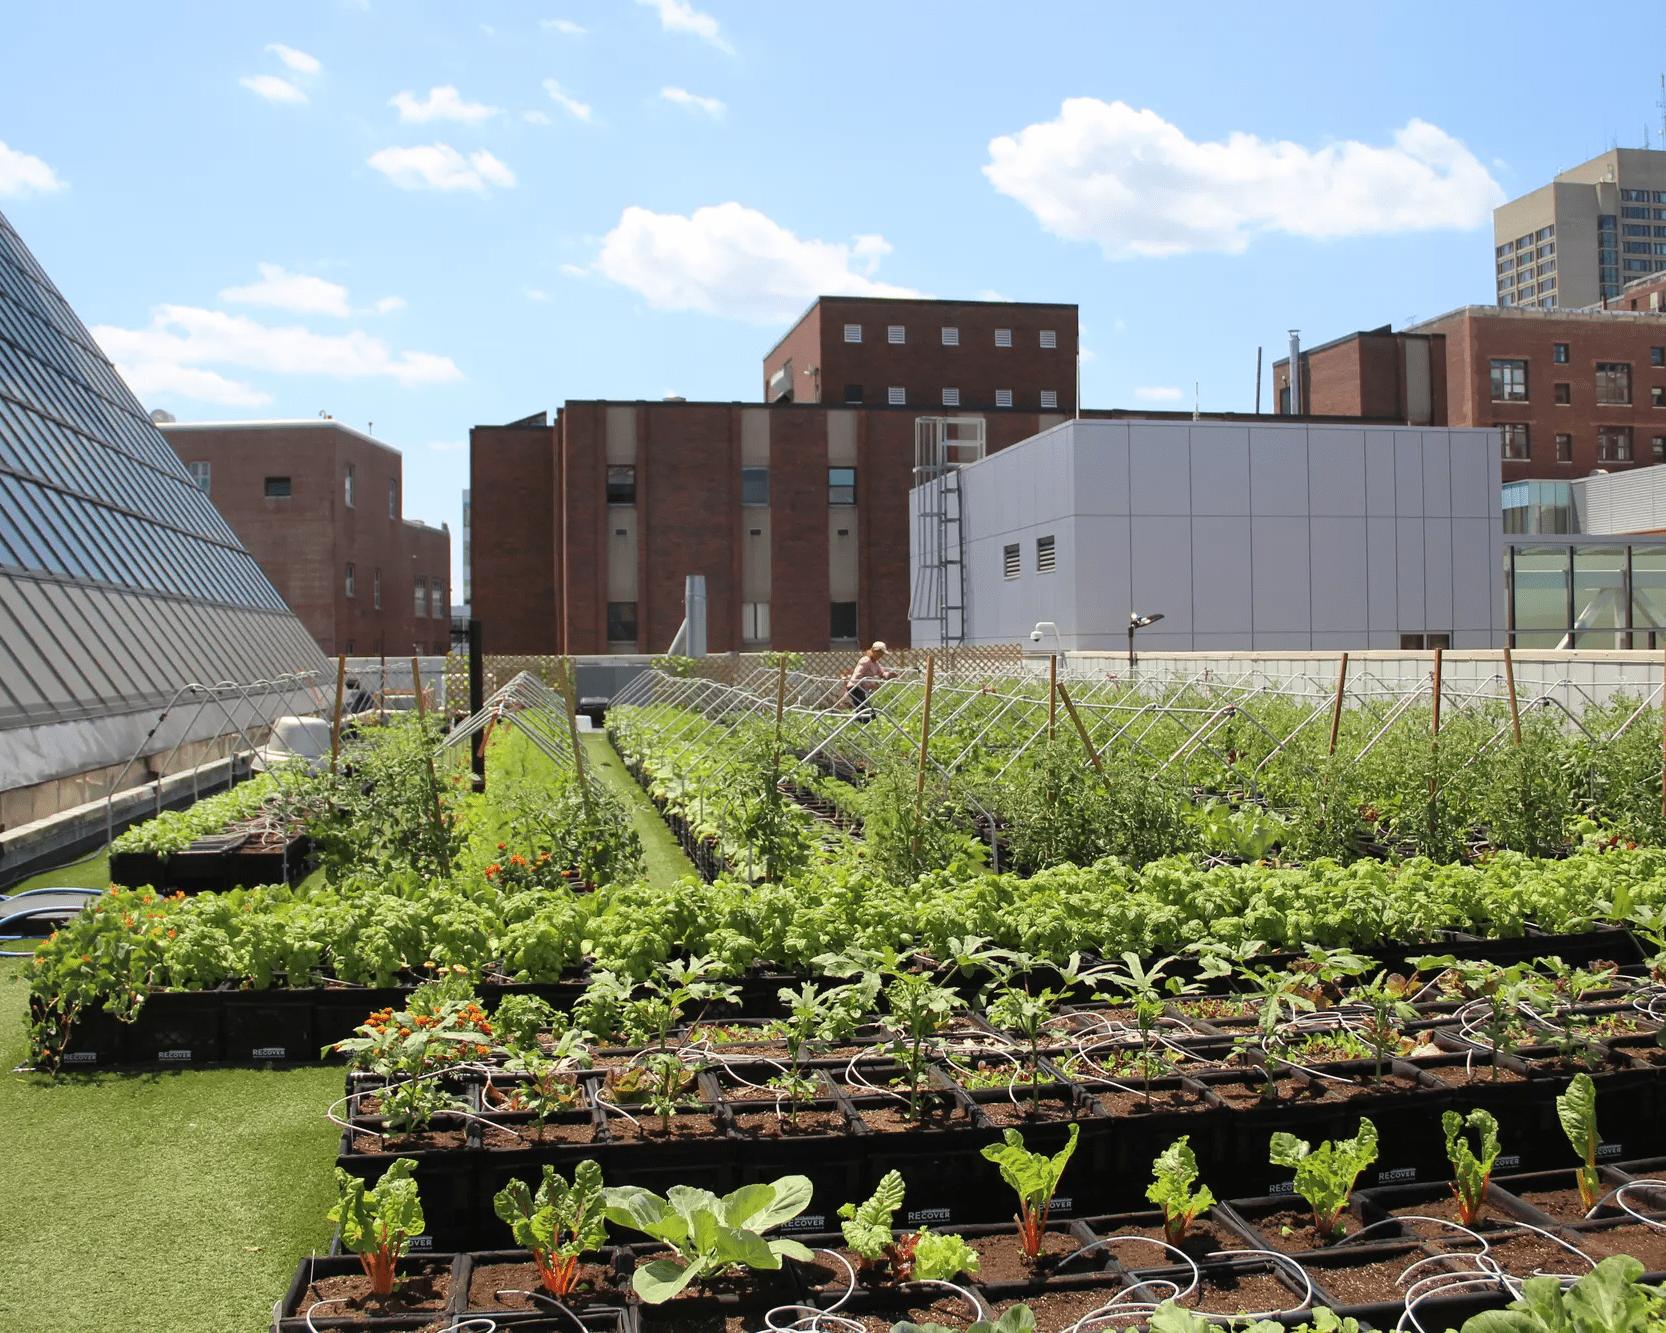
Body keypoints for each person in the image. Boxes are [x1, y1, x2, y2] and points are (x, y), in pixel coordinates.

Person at [845, 640, 896, 718]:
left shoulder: (875, 662)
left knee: (865, 709)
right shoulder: (866, 660)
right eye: (880, 653)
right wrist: (870, 684)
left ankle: (860, 723)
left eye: (882, 654)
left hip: (862, 689)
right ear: (874, 651)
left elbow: (881, 673)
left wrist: (889, 675)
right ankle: (858, 723)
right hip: (855, 687)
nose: (881, 655)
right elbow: (858, 676)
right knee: (864, 710)